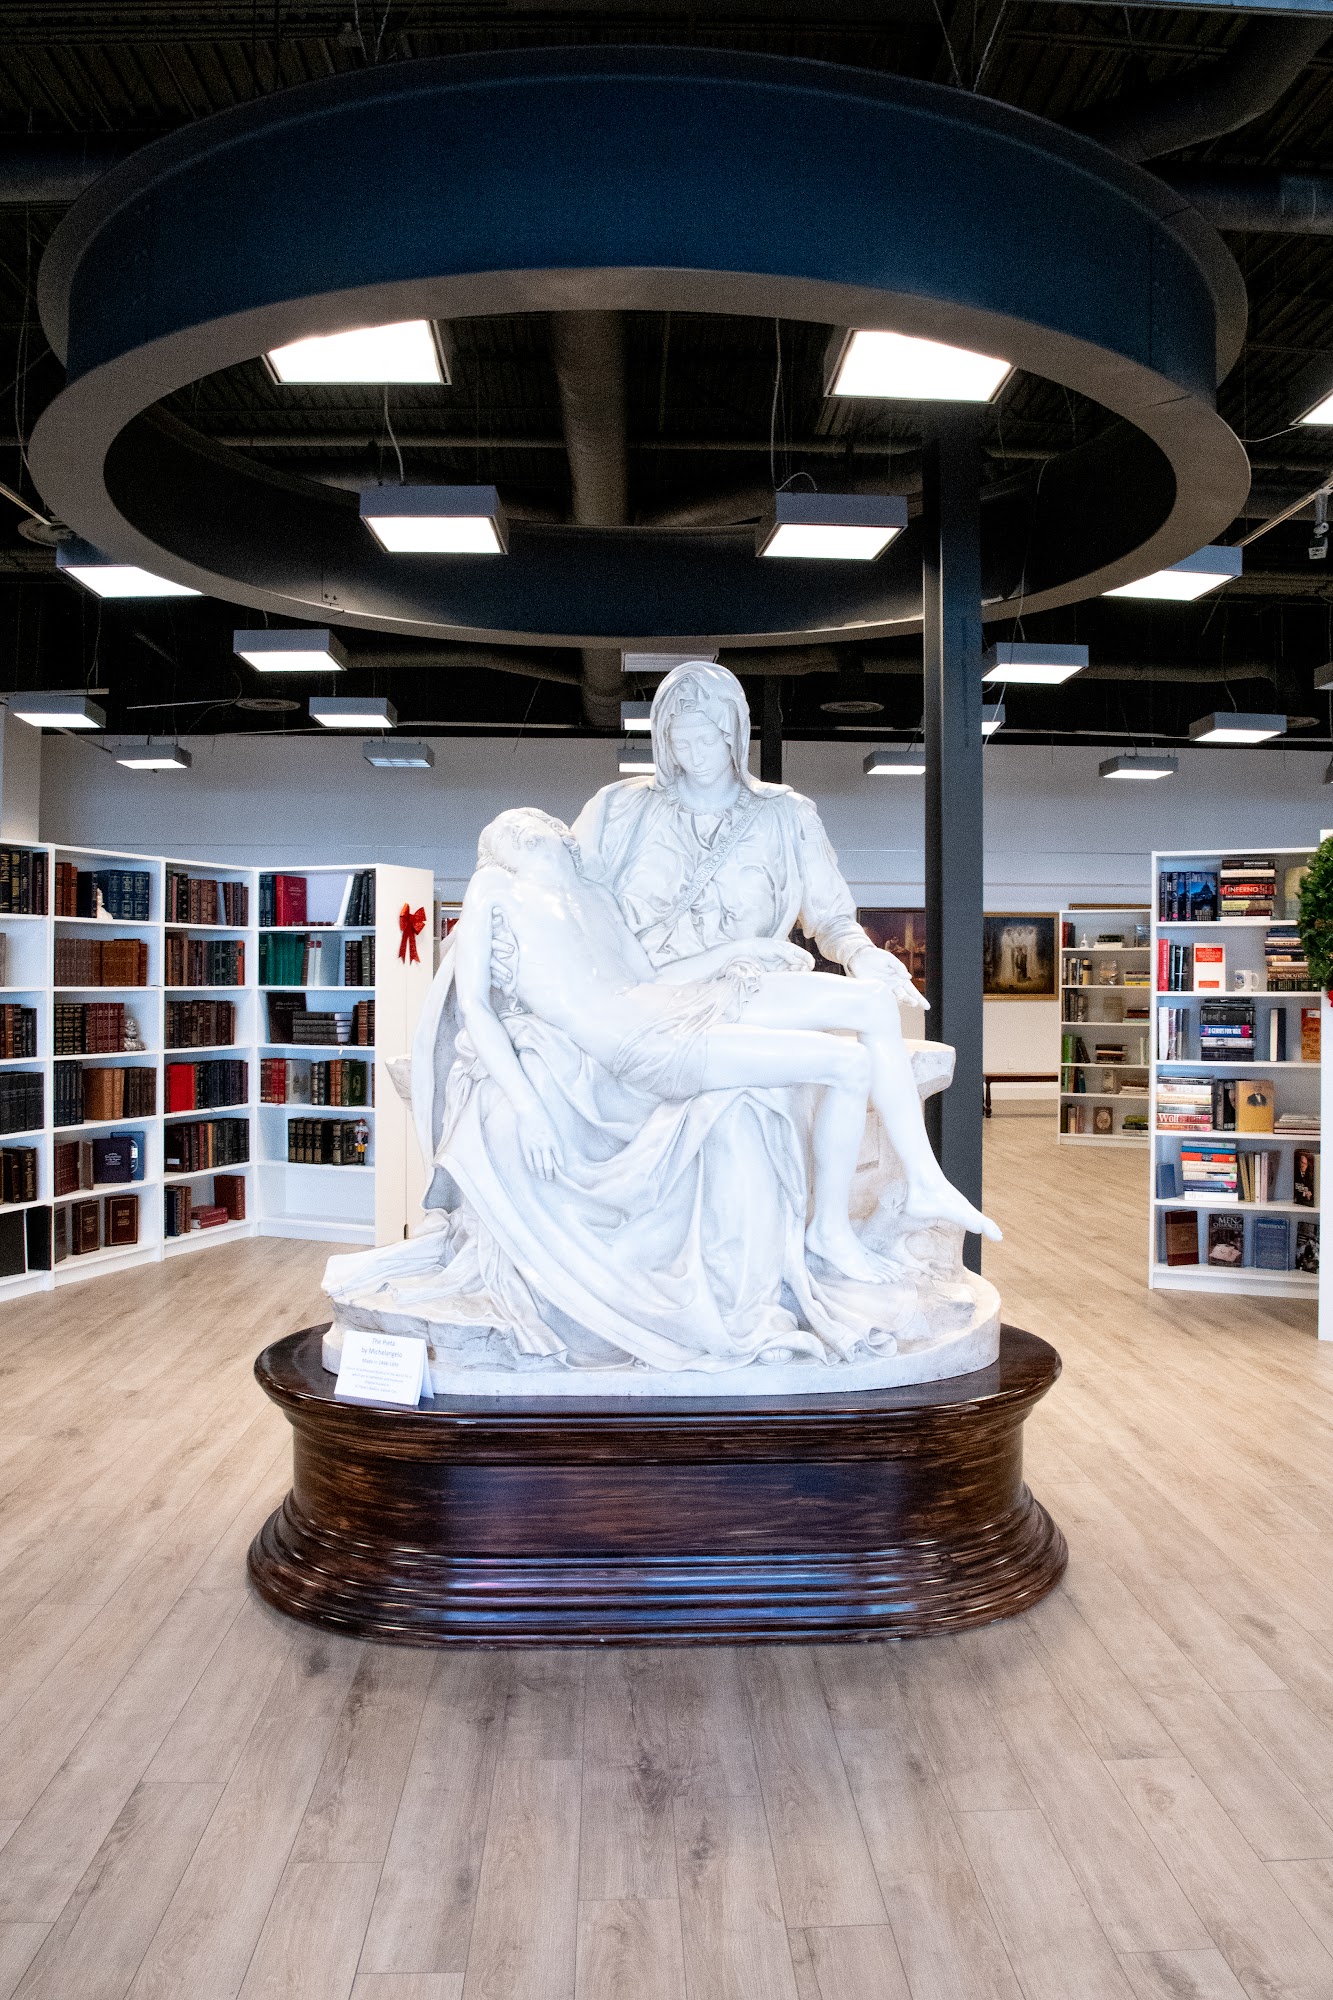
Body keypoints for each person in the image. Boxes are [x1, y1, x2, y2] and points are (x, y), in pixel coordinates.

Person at [456, 806, 999, 1275]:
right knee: (848, 1064)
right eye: (514, 834)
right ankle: (829, 1232)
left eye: (535, 825)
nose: (528, 829)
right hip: (640, 1044)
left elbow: (650, 978)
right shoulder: (496, 889)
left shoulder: (593, 895)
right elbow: (474, 1004)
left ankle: (925, 1181)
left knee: (872, 1000)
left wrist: (740, 951)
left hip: (668, 1004)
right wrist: (528, 1107)